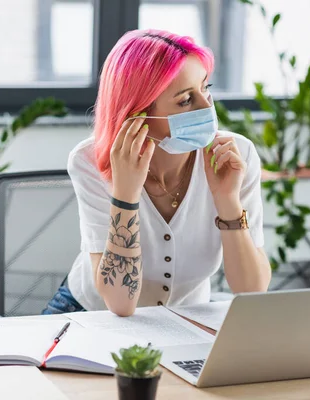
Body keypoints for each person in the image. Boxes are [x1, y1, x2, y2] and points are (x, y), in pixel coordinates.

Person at [42, 29, 271, 316]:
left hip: (185, 319)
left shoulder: (235, 156)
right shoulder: (90, 161)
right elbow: (120, 304)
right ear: (137, 115)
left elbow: (252, 291)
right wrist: (125, 195)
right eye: (186, 100)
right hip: (91, 315)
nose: (207, 107)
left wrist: (228, 202)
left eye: (205, 88)